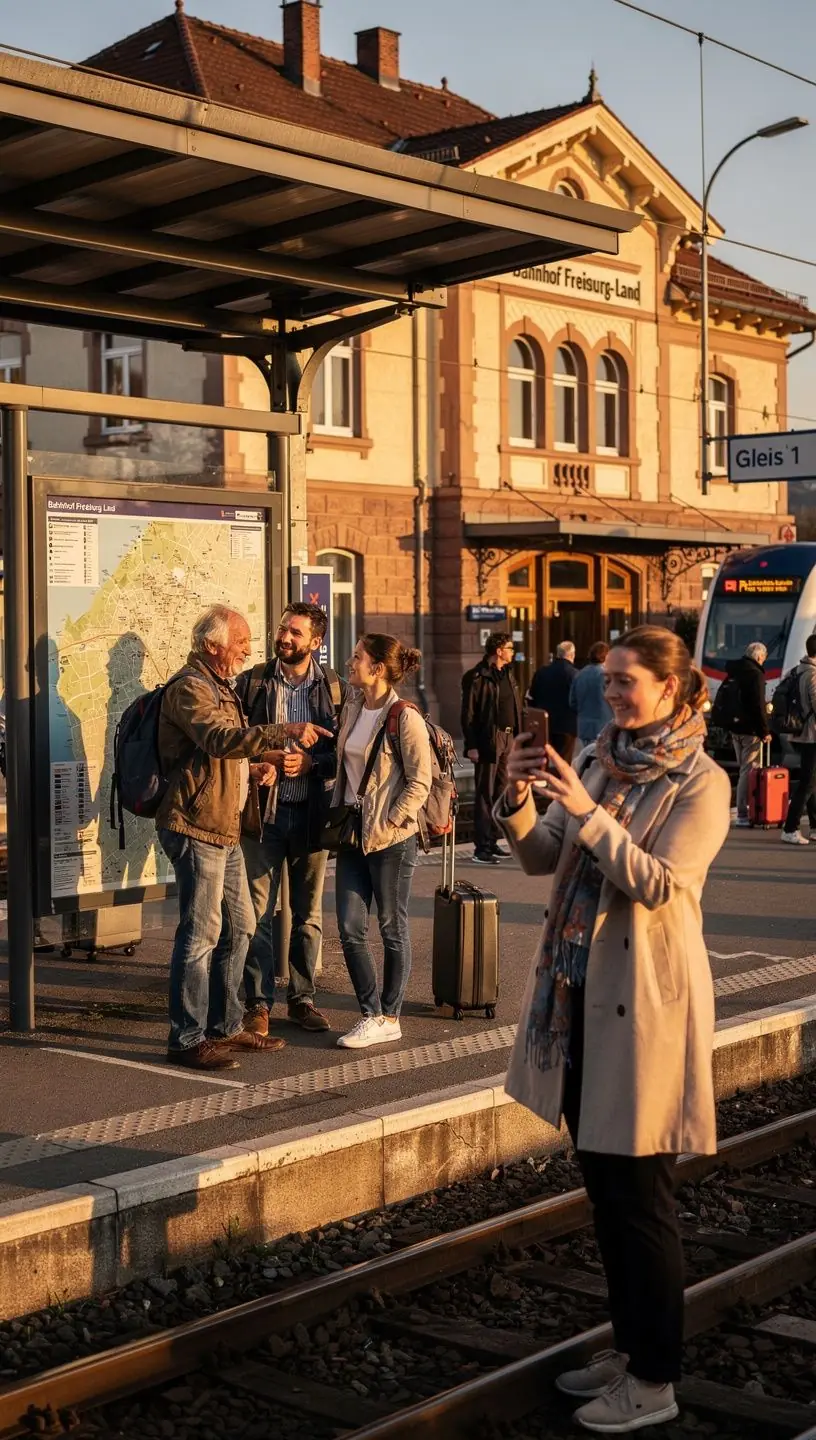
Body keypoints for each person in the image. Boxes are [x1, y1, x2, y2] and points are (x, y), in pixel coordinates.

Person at [497, 625, 729, 1434]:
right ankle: (631, 1350)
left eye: (629, 681)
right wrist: (520, 797)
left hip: (646, 1010)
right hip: (581, 999)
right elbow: (541, 859)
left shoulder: (703, 782)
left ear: (675, 689)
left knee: (640, 1202)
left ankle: (656, 1380)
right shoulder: (601, 755)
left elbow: (661, 884)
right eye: (610, 678)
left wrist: (591, 812)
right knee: (605, 1193)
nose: (614, 693)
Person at [156, 606, 330, 1071]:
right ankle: (186, 1037)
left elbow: (222, 754)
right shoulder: (191, 687)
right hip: (196, 827)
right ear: (214, 645)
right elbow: (217, 739)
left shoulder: (220, 686)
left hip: (225, 827)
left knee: (242, 926)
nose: (248, 649)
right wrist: (282, 730)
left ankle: (226, 1025)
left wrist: (250, 767)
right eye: (241, 641)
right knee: (201, 934)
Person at [236, 603, 345, 1036]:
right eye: (282, 628)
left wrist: (312, 765)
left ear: (315, 643)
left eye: (295, 632)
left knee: (308, 915)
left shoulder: (334, 688)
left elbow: (344, 752)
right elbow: (235, 741)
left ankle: (302, 999)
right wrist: (264, 760)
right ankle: (258, 1004)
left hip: (312, 816)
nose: (284, 637)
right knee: (256, 914)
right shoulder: (254, 682)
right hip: (265, 816)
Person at [331, 634, 432, 1049]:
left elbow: (420, 781)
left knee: (392, 927)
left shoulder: (404, 717)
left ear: (377, 669)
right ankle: (370, 1014)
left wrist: (391, 820)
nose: (350, 662)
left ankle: (391, 1015)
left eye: (357, 657)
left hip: (391, 839)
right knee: (350, 926)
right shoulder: (353, 707)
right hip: (353, 835)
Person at [461, 632, 521, 864]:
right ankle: (481, 848)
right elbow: (468, 715)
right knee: (485, 793)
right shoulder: (476, 677)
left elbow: (516, 707)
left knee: (501, 792)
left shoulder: (508, 674)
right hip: (489, 739)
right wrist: (472, 746)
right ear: (498, 650)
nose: (512, 652)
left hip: (508, 739)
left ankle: (494, 840)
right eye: (509, 648)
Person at [721, 641, 771, 828]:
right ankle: (742, 814)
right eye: (763, 658)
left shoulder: (735, 670)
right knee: (746, 771)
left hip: (735, 729)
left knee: (743, 768)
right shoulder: (756, 674)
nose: (763, 662)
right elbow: (758, 706)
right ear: (759, 657)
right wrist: (764, 732)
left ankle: (743, 810)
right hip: (750, 731)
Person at [782, 633, 816, 845]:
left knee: (812, 781)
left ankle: (814, 827)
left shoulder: (798, 670)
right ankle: (790, 828)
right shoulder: (812, 675)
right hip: (812, 734)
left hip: (803, 733)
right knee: (807, 783)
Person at [528, 640, 578, 761]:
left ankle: (544, 779)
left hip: (544, 723)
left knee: (542, 758)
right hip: (566, 725)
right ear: (572, 655)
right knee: (563, 761)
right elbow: (577, 699)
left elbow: (532, 696)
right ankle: (559, 780)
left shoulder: (541, 672)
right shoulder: (574, 674)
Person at [570, 641, 613, 746]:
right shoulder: (606, 675)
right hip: (604, 725)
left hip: (584, 727)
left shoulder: (579, 675)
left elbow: (572, 702)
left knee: (588, 757)